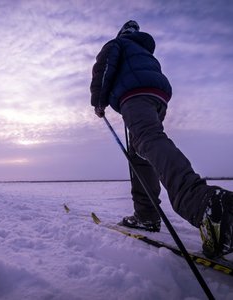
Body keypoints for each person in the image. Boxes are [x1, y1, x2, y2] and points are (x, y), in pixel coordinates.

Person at [90, 20, 233, 258]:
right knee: (141, 152)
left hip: (134, 96)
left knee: (148, 140)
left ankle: (203, 203)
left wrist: (98, 102)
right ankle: (146, 215)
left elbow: (103, 68)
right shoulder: (145, 52)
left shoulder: (117, 44)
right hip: (157, 99)